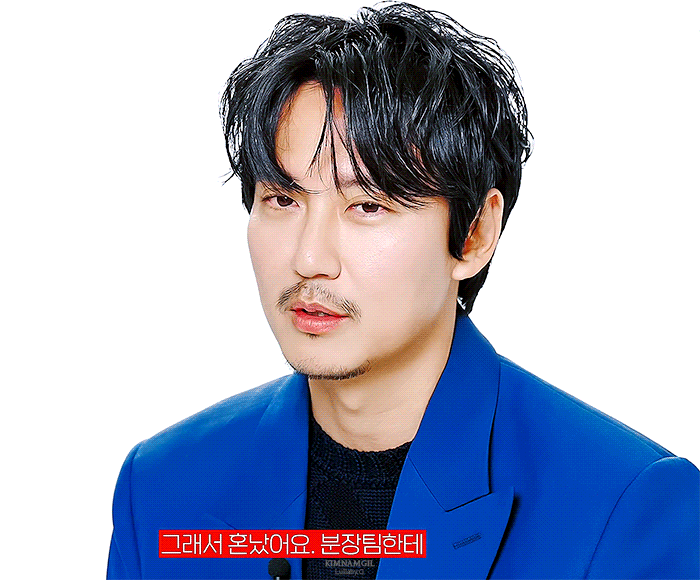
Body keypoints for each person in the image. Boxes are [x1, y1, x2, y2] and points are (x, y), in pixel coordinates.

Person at [107, 3, 699, 578]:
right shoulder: (162, 487)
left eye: (368, 206)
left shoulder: (624, 508)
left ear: (474, 234)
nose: (308, 259)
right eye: (282, 199)